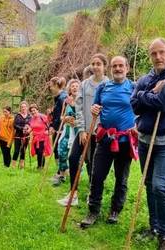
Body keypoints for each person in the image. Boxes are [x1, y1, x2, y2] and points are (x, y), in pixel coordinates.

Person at [130, 37, 165, 250]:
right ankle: (153, 227)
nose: (158, 57)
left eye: (161, 52)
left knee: (159, 185)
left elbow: (164, 103)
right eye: (153, 53)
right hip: (145, 139)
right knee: (148, 183)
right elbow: (134, 106)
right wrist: (152, 92)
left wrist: (148, 97)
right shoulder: (146, 79)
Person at [80, 56, 138, 228]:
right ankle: (93, 211)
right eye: (114, 66)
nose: (118, 69)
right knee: (97, 176)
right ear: (111, 69)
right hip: (105, 139)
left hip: (125, 140)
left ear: (127, 67)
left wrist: (138, 124)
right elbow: (95, 107)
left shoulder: (134, 88)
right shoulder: (103, 87)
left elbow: (141, 110)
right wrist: (93, 109)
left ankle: (115, 210)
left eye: (121, 66)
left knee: (122, 178)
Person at [58, 53, 109, 207]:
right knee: (73, 158)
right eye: (93, 63)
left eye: (98, 63)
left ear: (104, 66)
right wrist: (81, 130)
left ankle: (92, 194)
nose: (95, 66)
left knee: (94, 164)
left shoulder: (109, 84)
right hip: (84, 131)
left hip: (99, 132)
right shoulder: (85, 84)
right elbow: (79, 108)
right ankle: (73, 194)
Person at [52, 79, 80, 186]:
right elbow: (61, 116)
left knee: (76, 155)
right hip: (67, 129)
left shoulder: (82, 100)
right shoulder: (66, 101)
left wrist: (76, 120)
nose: (74, 87)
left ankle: (75, 177)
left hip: (78, 130)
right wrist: (65, 118)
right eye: (72, 86)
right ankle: (62, 175)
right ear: (69, 88)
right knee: (61, 149)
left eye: (76, 86)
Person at [48, 77, 68, 182]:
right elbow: (55, 115)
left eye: (51, 85)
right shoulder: (57, 97)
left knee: (60, 150)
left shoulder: (62, 97)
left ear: (56, 85)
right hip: (57, 128)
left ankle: (62, 174)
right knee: (56, 150)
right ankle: (60, 171)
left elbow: (61, 115)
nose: (50, 88)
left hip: (61, 128)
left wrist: (55, 128)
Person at [26, 104, 52, 169]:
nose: (33, 112)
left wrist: (48, 131)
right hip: (36, 138)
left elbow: (50, 123)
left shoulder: (43, 116)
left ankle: (40, 167)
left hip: (43, 137)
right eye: (31, 111)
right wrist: (26, 131)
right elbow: (31, 128)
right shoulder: (32, 119)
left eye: (34, 110)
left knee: (41, 152)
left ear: (37, 110)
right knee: (38, 152)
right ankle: (39, 165)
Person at [12, 101, 31, 169]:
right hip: (18, 136)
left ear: (27, 107)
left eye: (24, 107)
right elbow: (15, 125)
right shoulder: (18, 116)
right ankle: (13, 166)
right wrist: (22, 128)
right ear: (20, 108)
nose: (23, 108)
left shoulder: (29, 116)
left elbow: (31, 124)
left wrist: (28, 128)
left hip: (26, 136)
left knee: (23, 150)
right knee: (17, 150)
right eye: (22, 107)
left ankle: (21, 166)